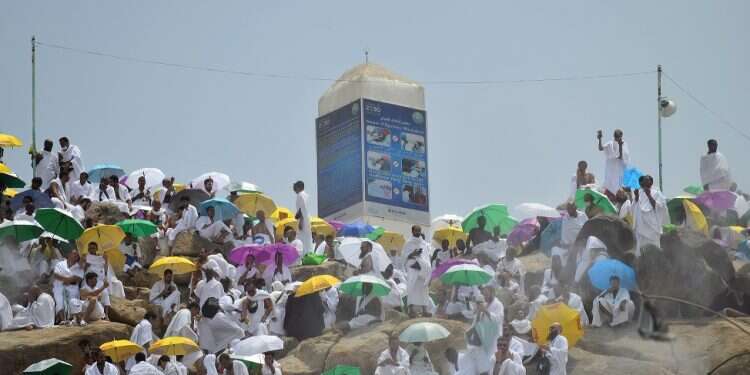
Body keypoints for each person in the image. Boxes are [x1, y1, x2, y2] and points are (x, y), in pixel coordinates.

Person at [631, 175, 668, 256]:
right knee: (640, 251)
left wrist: (649, 195)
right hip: (640, 227)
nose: (644, 181)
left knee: (653, 251)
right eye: (643, 180)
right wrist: (636, 196)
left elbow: (659, 208)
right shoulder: (639, 192)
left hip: (652, 227)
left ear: (651, 182)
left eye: (646, 180)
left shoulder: (657, 193)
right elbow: (634, 208)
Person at [52, 249, 84, 323]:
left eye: (77, 255)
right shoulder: (60, 264)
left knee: (72, 300)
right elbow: (56, 275)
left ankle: (72, 318)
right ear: (69, 255)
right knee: (59, 300)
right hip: (59, 286)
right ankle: (63, 320)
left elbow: (78, 279)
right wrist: (67, 279)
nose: (75, 256)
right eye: (74, 254)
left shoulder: (79, 267)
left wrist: (65, 279)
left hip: (73, 288)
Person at [597, 129, 630, 198]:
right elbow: (600, 148)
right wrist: (600, 138)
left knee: (619, 186)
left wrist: (620, 146)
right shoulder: (610, 143)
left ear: (621, 136)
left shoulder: (624, 144)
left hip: (619, 170)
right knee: (608, 185)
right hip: (610, 169)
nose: (616, 138)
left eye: (618, 136)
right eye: (616, 136)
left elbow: (621, 157)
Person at [405, 247, 432, 317]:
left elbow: (427, 267)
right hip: (413, 279)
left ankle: (424, 311)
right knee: (411, 293)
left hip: (422, 279)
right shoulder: (410, 248)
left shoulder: (424, 253)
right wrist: (412, 256)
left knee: (424, 293)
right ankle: (411, 311)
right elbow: (407, 263)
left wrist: (421, 267)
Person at [293, 180, 313, 254]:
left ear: (299, 187)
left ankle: (305, 254)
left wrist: (301, 221)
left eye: (295, 186)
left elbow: (302, 208)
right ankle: (308, 253)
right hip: (306, 218)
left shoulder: (300, 195)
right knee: (307, 237)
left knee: (302, 238)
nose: (294, 188)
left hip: (303, 220)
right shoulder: (306, 195)